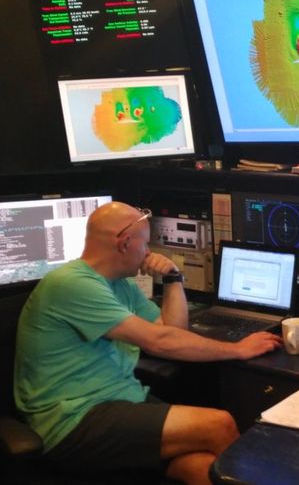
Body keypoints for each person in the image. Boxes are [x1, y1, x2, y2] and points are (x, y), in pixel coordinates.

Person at [14, 202, 283, 484]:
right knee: (219, 424)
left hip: (121, 401)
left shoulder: (119, 283)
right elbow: (161, 342)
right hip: (72, 421)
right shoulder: (70, 283)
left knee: (202, 467)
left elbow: (173, 330)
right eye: (145, 243)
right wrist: (238, 350)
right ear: (125, 243)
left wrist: (172, 278)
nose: (148, 252)